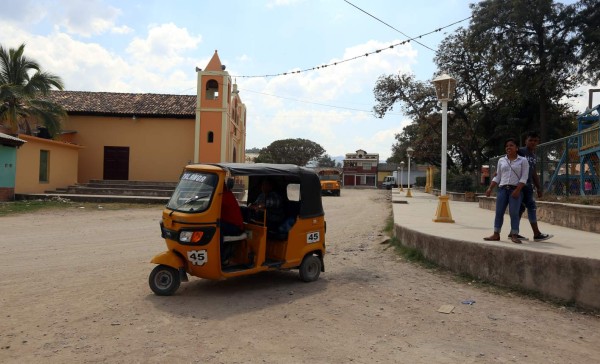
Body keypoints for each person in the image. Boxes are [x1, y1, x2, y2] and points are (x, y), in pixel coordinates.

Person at [484, 138, 529, 244]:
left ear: (517, 148)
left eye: (511, 145)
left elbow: (524, 177)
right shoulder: (501, 160)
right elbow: (498, 176)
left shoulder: (523, 160)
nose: (508, 147)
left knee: (514, 213)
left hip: (515, 190)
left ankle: (514, 235)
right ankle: (496, 234)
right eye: (507, 146)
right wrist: (490, 188)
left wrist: (518, 190)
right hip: (502, 190)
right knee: (499, 212)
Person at [517, 131, 553, 242]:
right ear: (525, 141)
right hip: (520, 184)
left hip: (528, 184)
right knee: (531, 207)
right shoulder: (521, 151)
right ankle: (537, 234)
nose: (533, 142)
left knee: (521, 208)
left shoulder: (533, 155)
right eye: (530, 140)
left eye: (535, 140)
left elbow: (533, 172)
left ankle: (513, 232)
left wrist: (538, 187)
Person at [220, 179, 244, 264]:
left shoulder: (224, 196)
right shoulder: (223, 194)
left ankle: (221, 258)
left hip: (235, 227)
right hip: (229, 224)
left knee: (216, 228)